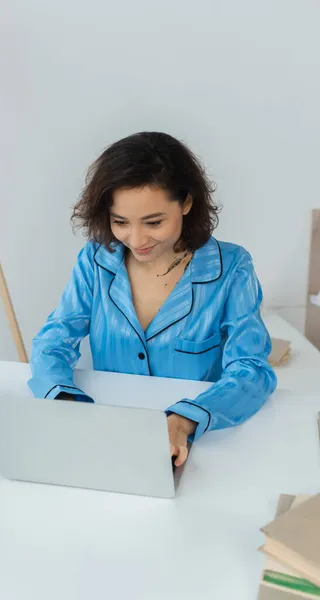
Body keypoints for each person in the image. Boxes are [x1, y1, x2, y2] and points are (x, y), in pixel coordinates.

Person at [29, 131, 277, 467]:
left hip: (201, 444)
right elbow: (53, 342)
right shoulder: (95, 260)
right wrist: (65, 400)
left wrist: (186, 418)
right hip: (107, 439)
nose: (136, 239)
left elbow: (252, 370)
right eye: (120, 222)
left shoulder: (231, 268)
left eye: (154, 222)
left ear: (187, 203)